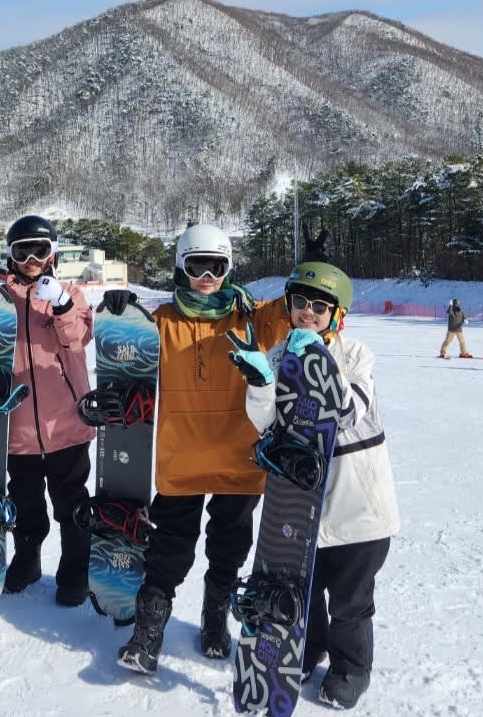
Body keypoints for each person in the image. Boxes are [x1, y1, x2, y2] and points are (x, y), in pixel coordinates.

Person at [116, 223, 290, 674]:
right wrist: (119, 315)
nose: (207, 275)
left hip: (238, 458)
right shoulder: (162, 322)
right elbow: (119, 347)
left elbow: (303, 312)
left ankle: (215, 620)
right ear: (181, 268)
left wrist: (313, 269)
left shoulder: (251, 318)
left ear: (229, 267)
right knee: (168, 551)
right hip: (182, 461)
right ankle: (148, 633)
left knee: (230, 548)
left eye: (216, 266)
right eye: (197, 266)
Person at [234, 261, 400, 710]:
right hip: (301, 503)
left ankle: (350, 668)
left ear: (337, 316)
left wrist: (318, 361)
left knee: (350, 600)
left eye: (319, 307)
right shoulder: (277, 354)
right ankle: (307, 649)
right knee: (303, 590)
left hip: (357, 509)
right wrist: (261, 382)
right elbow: (264, 421)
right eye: (300, 303)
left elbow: (346, 411)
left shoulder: (356, 356)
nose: (307, 313)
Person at [0, 215, 96, 607]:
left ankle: (74, 571)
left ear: (52, 253)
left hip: (65, 421)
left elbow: (78, 340)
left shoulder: (70, 293)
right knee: (26, 502)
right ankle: (27, 559)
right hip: (15, 424)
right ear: (11, 255)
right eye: (23, 250)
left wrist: (63, 305)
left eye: (41, 250)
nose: (32, 258)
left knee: (71, 503)